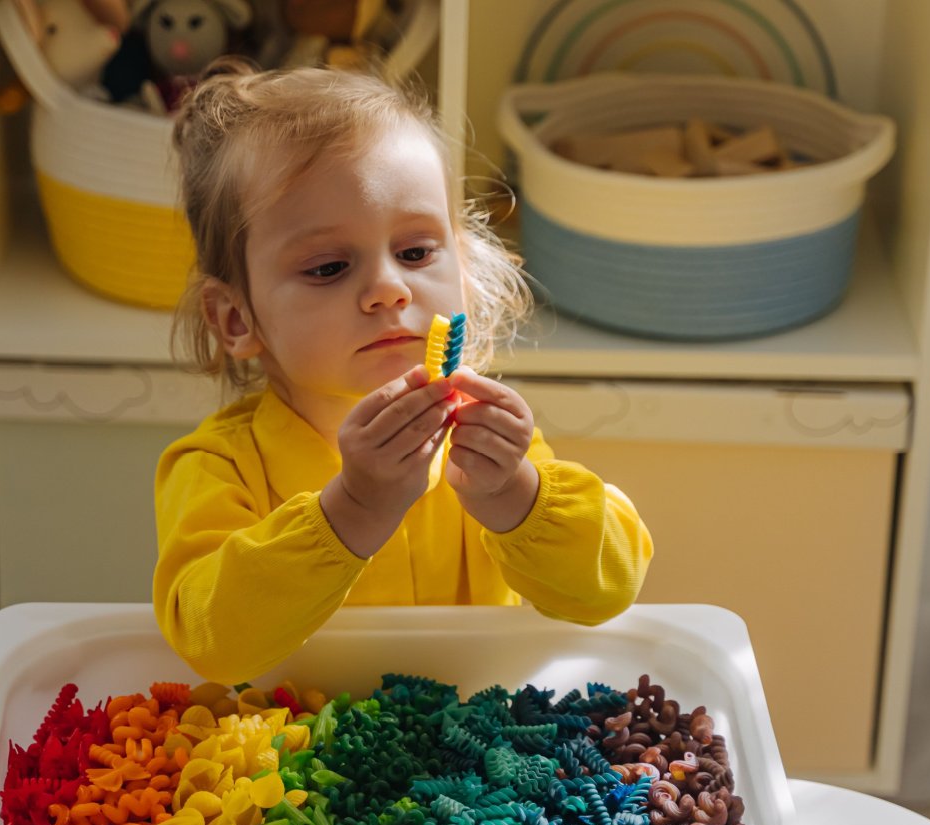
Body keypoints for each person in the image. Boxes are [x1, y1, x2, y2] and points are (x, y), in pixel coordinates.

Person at [153, 58, 653, 684]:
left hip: (474, 764)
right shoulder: (217, 467)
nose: (388, 289)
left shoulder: (484, 441)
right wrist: (353, 509)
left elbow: (609, 588)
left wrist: (514, 495)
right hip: (294, 768)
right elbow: (212, 643)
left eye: (415, 252)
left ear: (463, 270)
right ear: (235, 319)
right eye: (329, 267)